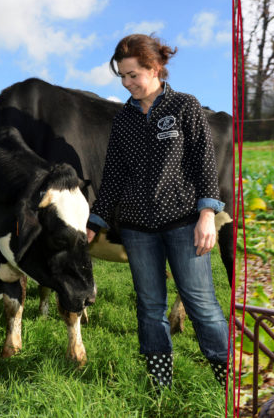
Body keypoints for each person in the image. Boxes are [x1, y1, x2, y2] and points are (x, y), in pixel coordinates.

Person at [86, 33, 229, 391]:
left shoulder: (184, 107)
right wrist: (95, 222)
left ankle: (227, 380)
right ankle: (160, 384)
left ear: (155, 68)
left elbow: (204, 165)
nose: (127, 82)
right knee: (150, 307)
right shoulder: (123, 120)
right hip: (136, 230)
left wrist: (207, 215)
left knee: (201, 304)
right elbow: (114, 176)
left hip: (184, 224)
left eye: (133, 74)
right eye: (122, 76)